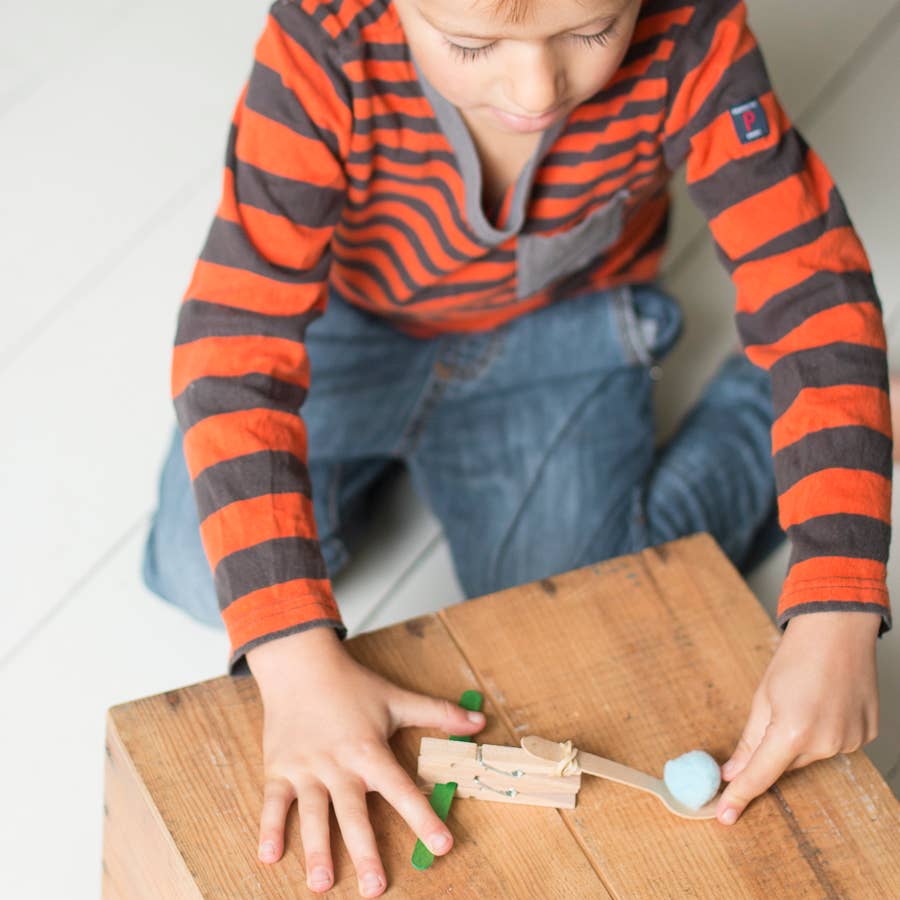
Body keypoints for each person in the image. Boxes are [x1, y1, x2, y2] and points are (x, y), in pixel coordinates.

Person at [142, 0, 892, 895]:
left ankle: (754, 424)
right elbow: (233, 349)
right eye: (472, 43)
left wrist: (838, 609)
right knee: (202, 571)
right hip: (352, 333)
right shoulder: (325, 41)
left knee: (578, 592)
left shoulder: (692, 33)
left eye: (591, 31)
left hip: (555, 340)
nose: (537, 87)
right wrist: (294, 655)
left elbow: (814, 297)